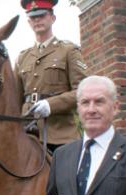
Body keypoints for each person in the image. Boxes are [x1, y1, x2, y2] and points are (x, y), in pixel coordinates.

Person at [15, 0, 89, 152]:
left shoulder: (68, 51)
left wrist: (51, 104)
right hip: (27, 132)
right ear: (29, 21)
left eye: (41, 15)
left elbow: (83, 91)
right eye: (33, 17)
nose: (37, 20)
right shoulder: (23, 57)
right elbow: (15, 98)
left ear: (52, 18)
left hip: (60, 134)